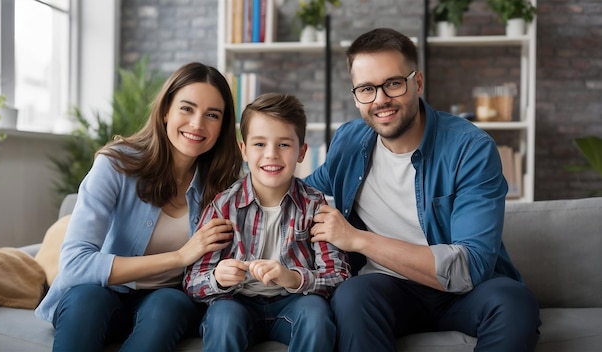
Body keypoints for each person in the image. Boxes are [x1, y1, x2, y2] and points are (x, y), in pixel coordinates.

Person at [305, 28, 541, 351]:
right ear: (355, 96)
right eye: (366, 89)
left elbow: (469, 267)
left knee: (514, 303)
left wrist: (358, 239)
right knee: (350, 296)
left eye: (393, 83)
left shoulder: (470, 149)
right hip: (387, 291)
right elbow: (297, 197)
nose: (381, 100)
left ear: (417, 83)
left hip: (465, 295)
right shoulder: (348, 142)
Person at [34, 62, 243, 351]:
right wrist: (179, 257)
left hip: (166, 303)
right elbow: (74, 265)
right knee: (87, 298)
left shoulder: (224, 186)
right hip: (101, 296)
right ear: (166, 110)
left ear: (222, 127)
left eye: (212, 115)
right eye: (187, 108)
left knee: (169, 302)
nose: (197, 123)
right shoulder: (115, 165)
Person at [186, 92, 350, 352]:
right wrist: (217, 277)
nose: (271, 154)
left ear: (302, 152)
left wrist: (293, 278)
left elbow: (338, 275)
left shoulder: (315, 205)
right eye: (259, 144)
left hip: (293, 302)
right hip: (236, 302)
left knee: (316, 314)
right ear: (244, 150)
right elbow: (193, 281)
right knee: (223, 318)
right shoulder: (223, 206)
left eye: (284, 144)